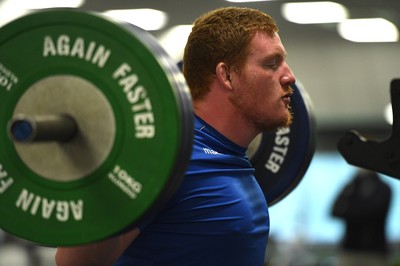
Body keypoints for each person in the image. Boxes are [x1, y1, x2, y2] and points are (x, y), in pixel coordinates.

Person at [55, 6, 295, 265]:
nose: (289, 76)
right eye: (271, 64)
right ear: (226, 75)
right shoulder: (165, 157)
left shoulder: (231, 156)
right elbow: (73, 261)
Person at [331, 169, 392, 266]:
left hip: (374, 253)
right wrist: (354, 183)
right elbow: (334, 211)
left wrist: (349, 210)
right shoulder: (352, 186)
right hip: (350, 251)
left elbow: (372, 213)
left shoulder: (383, 188)